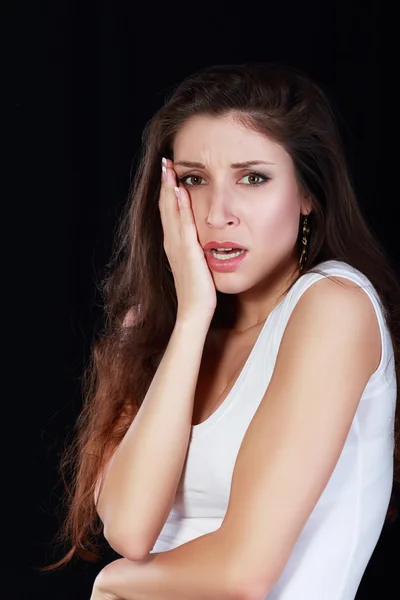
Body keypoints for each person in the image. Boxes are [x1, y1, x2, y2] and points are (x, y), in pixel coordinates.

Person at [46, 63, 399, 599]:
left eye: (253, 177)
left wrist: (113, 583)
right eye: (193, 179)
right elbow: (131, 528)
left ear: (308, 194)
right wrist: (190, 319)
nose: (218, 213)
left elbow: (243, 575)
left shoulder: (333, 307)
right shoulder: (162, 322)